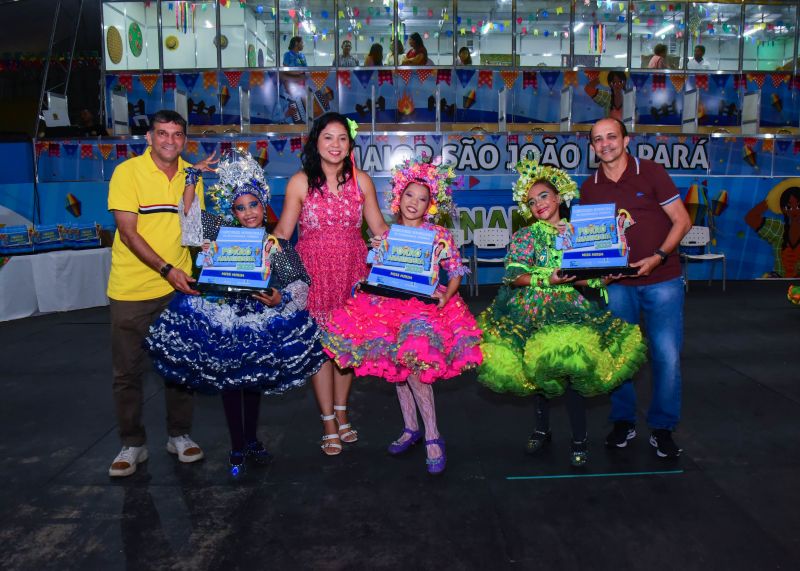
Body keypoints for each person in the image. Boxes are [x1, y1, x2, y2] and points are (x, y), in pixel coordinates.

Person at [146, 151, 326, 477]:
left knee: (253, 382)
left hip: (259, 320)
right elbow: (188, 222)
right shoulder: (220, 233)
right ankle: (237, 446)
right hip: (225, 318)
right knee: (231, 384)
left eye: (253, 205)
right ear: (232, 211)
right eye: (240, 208)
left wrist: (278, 296)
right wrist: (191, 178)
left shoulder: (276, 242)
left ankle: (252, 440)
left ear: (263, 204)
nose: (248, 213)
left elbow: (300, 285)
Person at [478, 160, 646, 466]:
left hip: (569, 309)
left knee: (572, 371)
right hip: (530, 309)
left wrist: (605, 276)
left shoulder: (578, 231)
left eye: (543, 196)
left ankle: (579, 439)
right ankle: (541, 429)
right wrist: (546, 279)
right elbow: (514, 275)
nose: (538, 204)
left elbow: (581, 275)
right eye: (531, 201)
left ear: (558, 197)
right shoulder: (527, 236)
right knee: (538, 372)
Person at [323, 157, 482, 474]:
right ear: (399, 197)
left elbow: (455, 272)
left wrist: (446, 294)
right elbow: (376, 272)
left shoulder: (438, 235)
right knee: (397, 372)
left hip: (424, 311)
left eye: (422, 199)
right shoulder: (387, 233)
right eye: (410, 195)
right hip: (388, 310)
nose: (415, 203)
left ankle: (433, 436)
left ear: (430, 205)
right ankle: (411, 429)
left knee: (415, 370)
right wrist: (373, 261)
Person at [273, 112, 389, 456]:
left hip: (353, 272)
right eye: (328, 137)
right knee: (320, 352)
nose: (335, 145)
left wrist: (422, 242)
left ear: (350, 144)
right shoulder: (299, 182)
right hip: (313, 275)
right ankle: (327, 421)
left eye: (342, 138)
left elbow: (379, 231)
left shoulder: (362, 181)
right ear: (316, 142)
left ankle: (342, 413)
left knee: (346, 349)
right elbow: (282, 233)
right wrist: (249, 251)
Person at [582, 117, 692, 458]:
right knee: (620, 355)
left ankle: (662, 428)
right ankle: (623, 422)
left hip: (663, 279)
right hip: (618, 286)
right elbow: (594, 242)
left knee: (666, 356)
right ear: (592, 148)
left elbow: (682, 221)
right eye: (598, 140)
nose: (606, 144)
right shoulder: (590, 188)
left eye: (611, 137)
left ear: (626, 140)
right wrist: (601, 272)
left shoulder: (653, 172)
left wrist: (658, 257)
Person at [106, 110, 204, 478]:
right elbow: (128, 233)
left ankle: (179, 435)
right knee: (127, 372)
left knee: (179, 366)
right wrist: (166, 269)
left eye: (177, 134)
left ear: (184, 139)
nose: (169, 141)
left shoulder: (191, 174)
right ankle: (132, 444)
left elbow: (194, 229)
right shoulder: (127, 173)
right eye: (162, 133)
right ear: (149, 137)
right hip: (132, 289)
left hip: (178, 289)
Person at [745, 183, 800, 278]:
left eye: (799, 206)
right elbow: (751, 218)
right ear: (784, 210)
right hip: (778, 281)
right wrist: (771, 200)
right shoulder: (778, 229)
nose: (794, 211)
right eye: (789, 207)